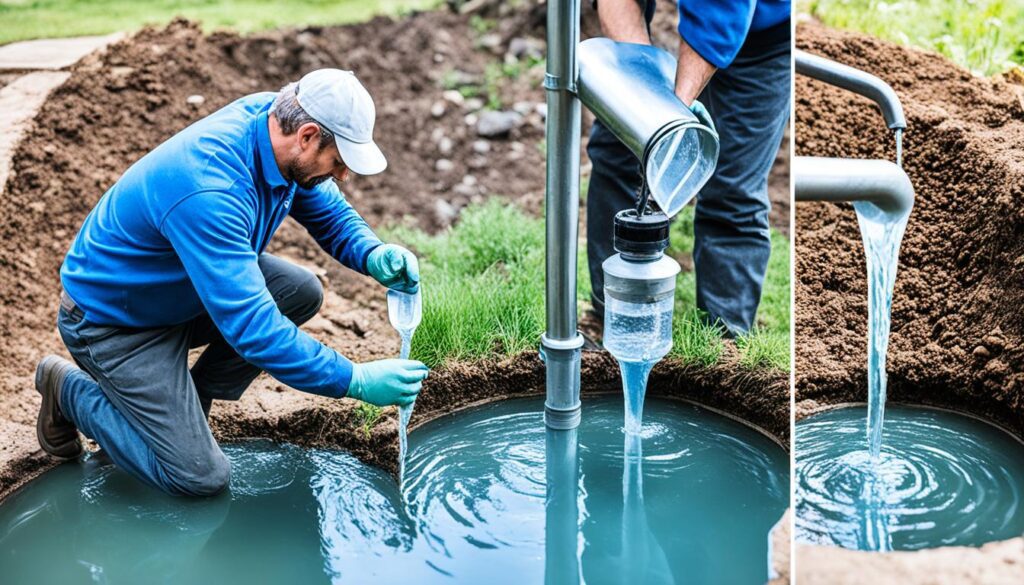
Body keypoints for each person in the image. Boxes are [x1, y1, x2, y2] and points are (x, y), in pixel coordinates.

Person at [34, 69, 429, 497]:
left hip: (175, 294)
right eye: (338, 162)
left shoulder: (276, 122)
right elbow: (254, 331)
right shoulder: (210, 190)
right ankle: (67, 389)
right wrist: (354, 379)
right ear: (309, 136)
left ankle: (189, 403)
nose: (342, 176)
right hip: (113, 323)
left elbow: (328, 210)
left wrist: (372, 253)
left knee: (300, 291)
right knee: (198, 478)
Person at [587, 0, 790, 336]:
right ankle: (615, 319)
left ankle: (722, 344)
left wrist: (670, 121)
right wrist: (640, 101)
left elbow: (719, 15)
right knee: (618, 145)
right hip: (707, 14)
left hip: (764, 34)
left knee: (733, 188)